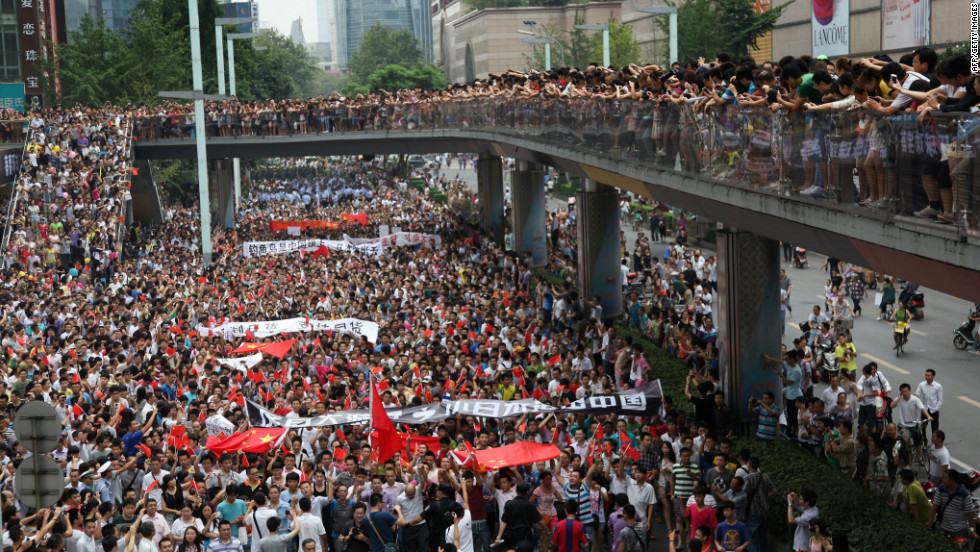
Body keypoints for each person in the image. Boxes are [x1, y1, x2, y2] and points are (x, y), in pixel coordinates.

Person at [927, 470, 978, 546]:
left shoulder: (964, 495)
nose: (942, 480)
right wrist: (930, 522)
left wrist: (972, 531)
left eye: (945, 478)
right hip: (943, 527)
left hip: (959, 530)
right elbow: (934, 507)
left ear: (952, 480)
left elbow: (970, 514)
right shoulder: (941, 489)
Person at [914, 369, 943, 435]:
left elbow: (940, 400)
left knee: (935, 429)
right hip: (925, 409)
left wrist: (936, 409)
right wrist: (916, 396)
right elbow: (917, 394)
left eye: (928, 375)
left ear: (933, 376)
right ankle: (924, 441)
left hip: (934, 410)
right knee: (922, 427)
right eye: (926, 375)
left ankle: (934, 443)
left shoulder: (938, 386)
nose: (926, 377)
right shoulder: (922, 385)